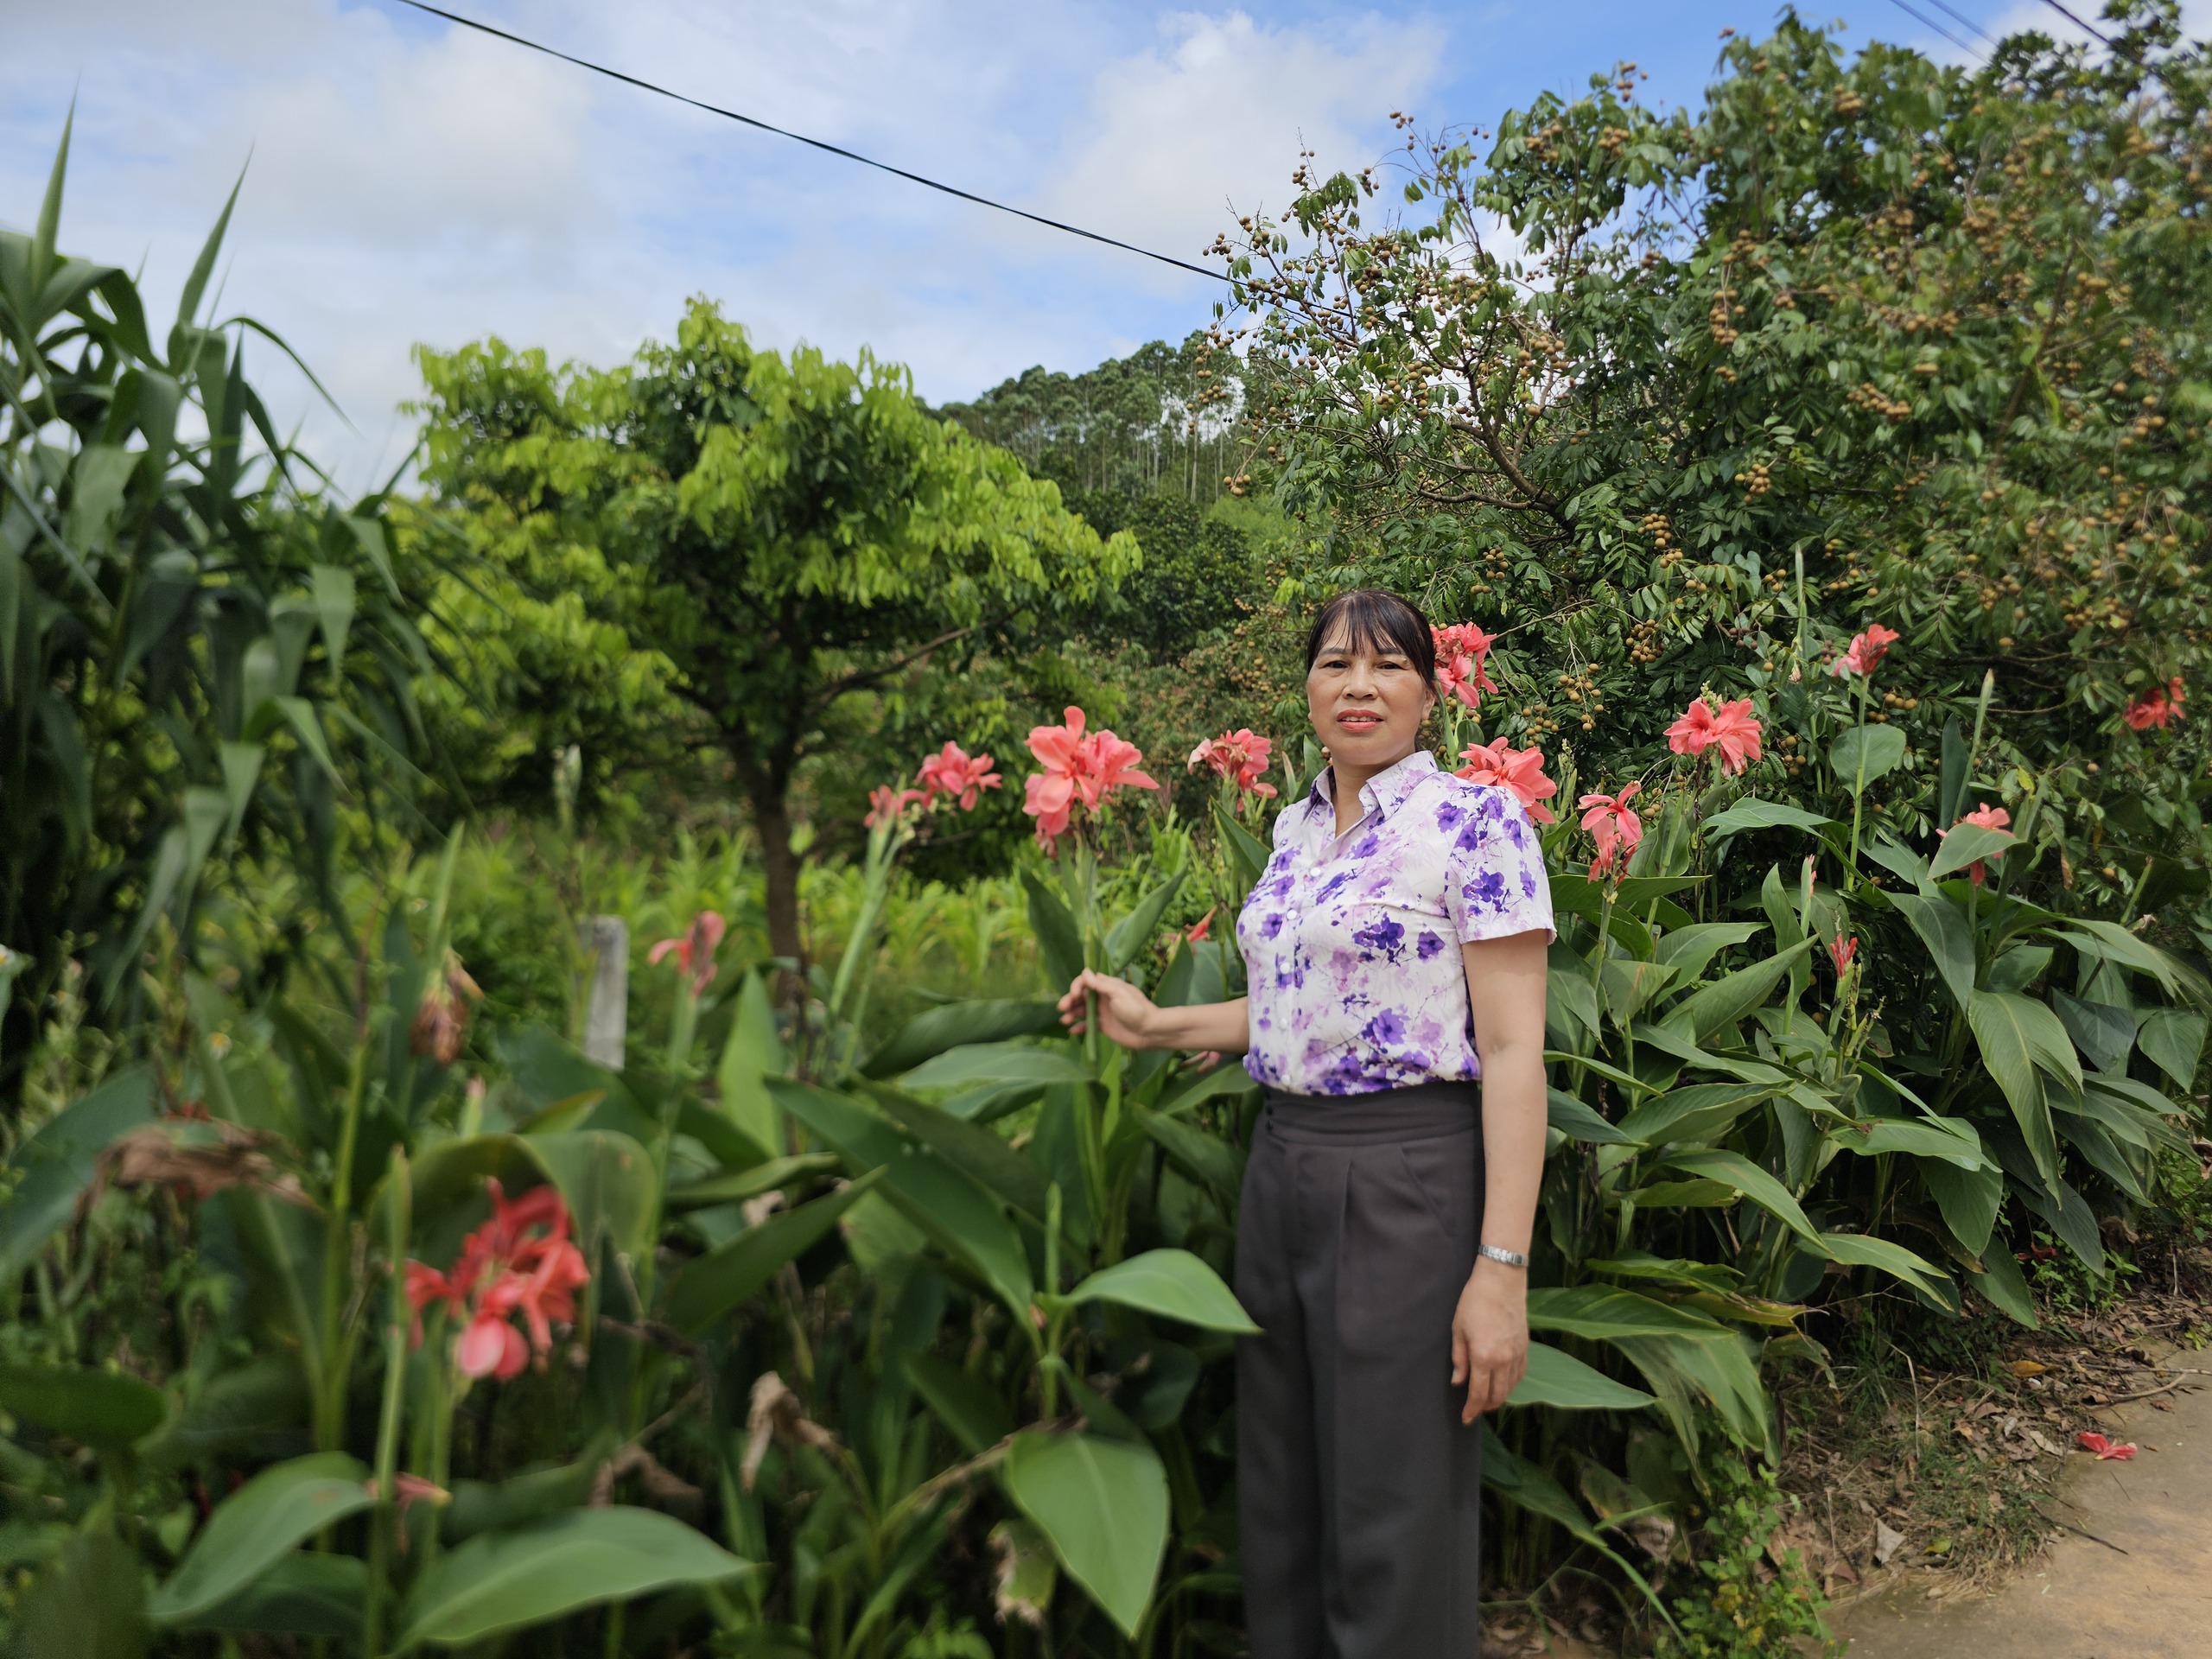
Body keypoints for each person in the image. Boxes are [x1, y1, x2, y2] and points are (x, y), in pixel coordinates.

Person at [1059, 588, 1554, 1658]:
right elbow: (1304, 1009)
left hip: (1406, 1180)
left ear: (1432, 691)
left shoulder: (1473, 822)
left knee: (1391, 1501)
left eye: (1387, 667)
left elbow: (1514, 1053)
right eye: (1335, 664)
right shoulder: (1292, 830)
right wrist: (1154, 1023)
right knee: (1282, 1496)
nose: (1359, 686)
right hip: (1281, 1170)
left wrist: (1500, 1268)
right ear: (1308, 688)